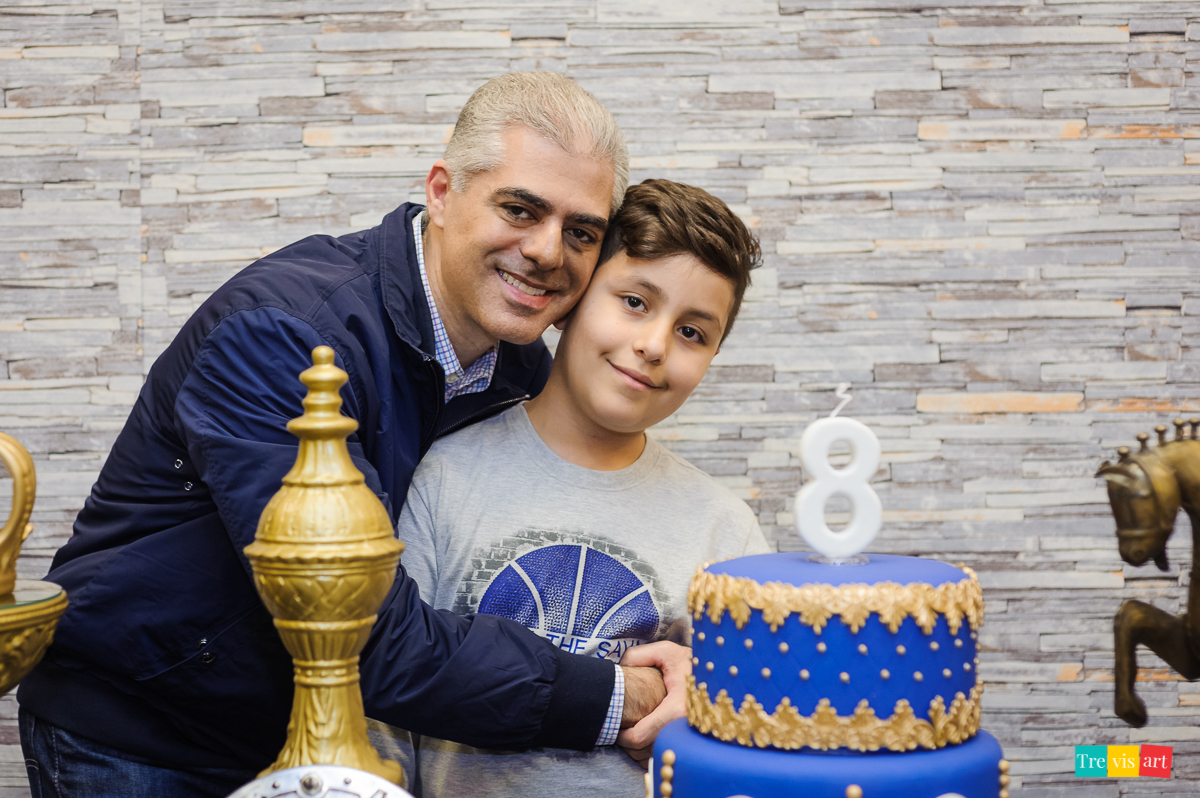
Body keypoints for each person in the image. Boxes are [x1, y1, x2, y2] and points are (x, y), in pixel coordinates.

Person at [17, 72, 688, 798]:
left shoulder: (517, 368)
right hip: (144, 735)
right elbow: (359, 633)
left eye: (581, 232)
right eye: (520, 209)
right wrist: (618, 694)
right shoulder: (285, 339)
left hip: (312, 741)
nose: (549, 250)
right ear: (442, 193)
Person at [370, 179, 772, 797]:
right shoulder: (442, 480)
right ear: (572, 300)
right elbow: (380, 715)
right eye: (635, 302)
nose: (654, 345)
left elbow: (762, 725)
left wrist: (714, 704)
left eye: (693, 333)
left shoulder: (726, 531)